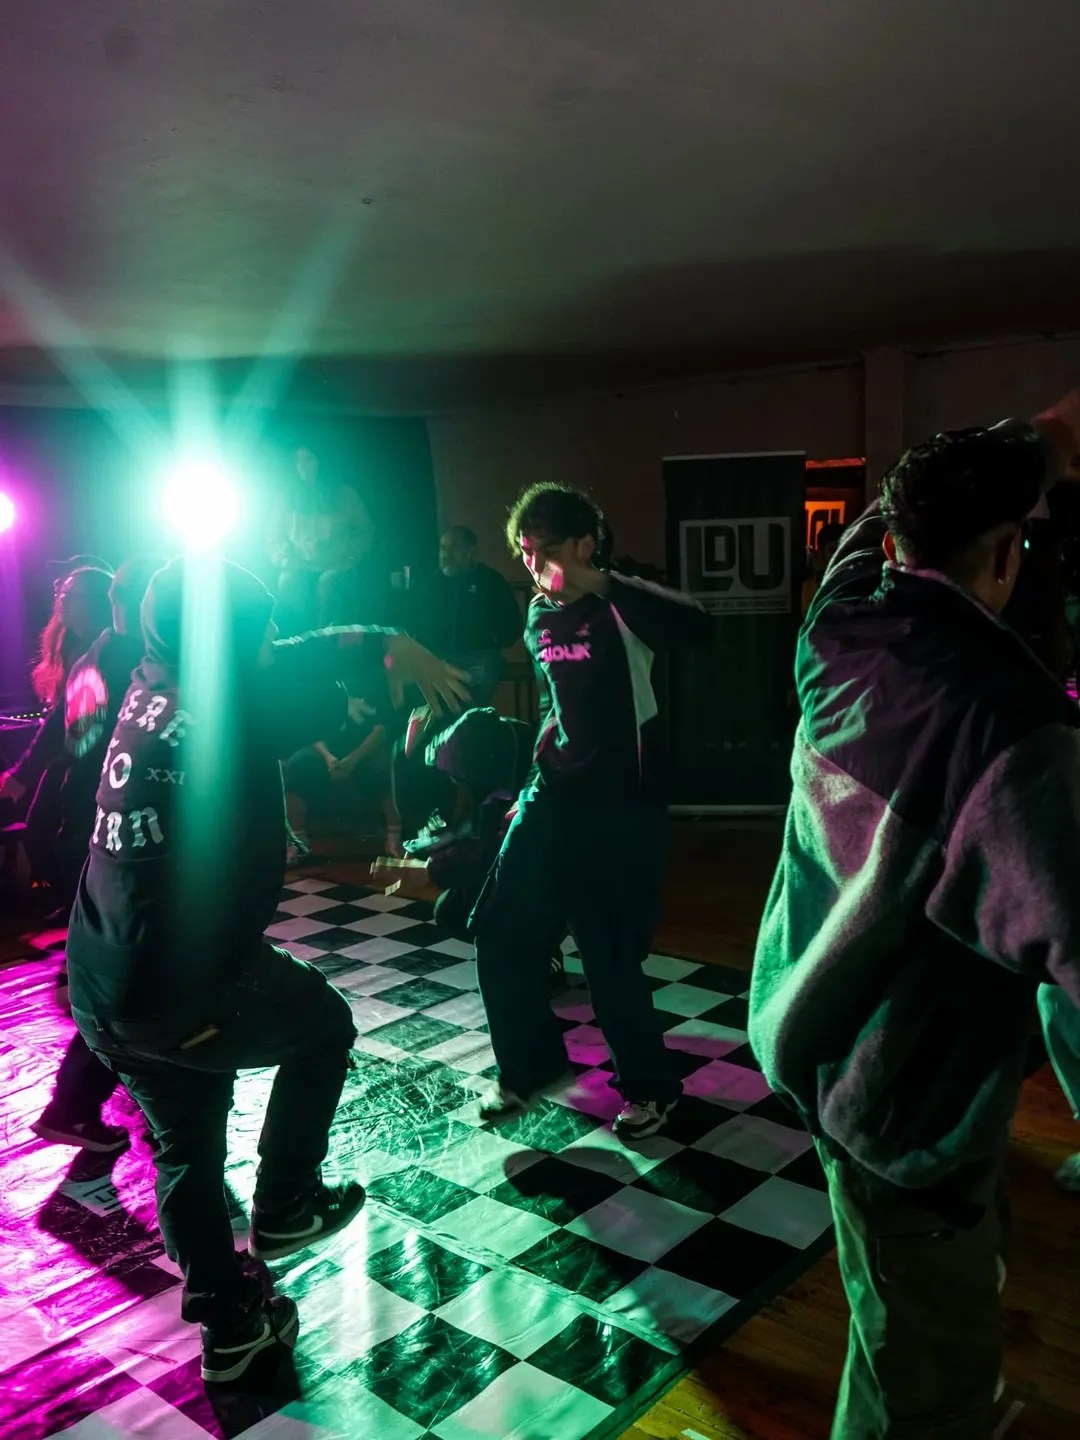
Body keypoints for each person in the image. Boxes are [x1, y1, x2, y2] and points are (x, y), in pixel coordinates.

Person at [748, 390, 1080, 1440]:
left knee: (894, 1303)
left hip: (815, 1036)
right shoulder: (1012, 729)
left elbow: (864, 539)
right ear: (1007, 553)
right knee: (921, 1369)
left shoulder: (840, 622)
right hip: (908, 1097)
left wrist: (1035, 441)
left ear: (894, 542)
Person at [65, 556, 468, 1383]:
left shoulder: (149, 679)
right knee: (323, 1028)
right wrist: (387, 642)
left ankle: (231, 1324)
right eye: (264, 633)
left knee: (185, 1146)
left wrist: (377, 641)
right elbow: (312, 668)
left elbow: (279, 652)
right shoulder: (239, 709)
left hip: (101, 981)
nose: (277, 644)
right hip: (182, 983)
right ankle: (286, 1203)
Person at [471, 483, 710, 1143]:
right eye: (524, 553)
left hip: (623, 807)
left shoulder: (622, 604)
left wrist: (599, 581)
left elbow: (698, 623)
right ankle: (528, 1069)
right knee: (499, 929)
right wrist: (530, 784)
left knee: (609, 956)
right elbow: (554, 705)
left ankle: (650, 1087)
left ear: (584, 545)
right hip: (550, 799)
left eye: (546, 551)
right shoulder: (538, 616)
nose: (534, 566)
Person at [31, 556, 166, 1155]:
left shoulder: (98, 658)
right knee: (132, 981)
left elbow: (68, 745)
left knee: (131, 976)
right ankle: (75, 1104)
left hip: (93, 834)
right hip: (108, 840)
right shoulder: (132, 664)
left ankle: (100, 1099)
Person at [0, 567, 113, 892]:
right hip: (77, 758)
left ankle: (70, 905)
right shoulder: (82, 647)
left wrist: (23, 773)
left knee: (56, 832)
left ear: (95, 601)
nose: (61, 602)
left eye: (70, 595)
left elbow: (64, 722)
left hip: (91, 763)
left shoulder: (103, 652)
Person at [268, 446, 379, 634]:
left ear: (321, 461)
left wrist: (349, 556)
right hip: (299, 565)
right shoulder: (285, 499)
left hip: (337, 565)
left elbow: (364, 532)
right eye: (298, 460)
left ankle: (326, 640)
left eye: (308, 459)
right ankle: (293, 641)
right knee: (289, 582)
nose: (303, 466)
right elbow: (274, 537)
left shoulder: (345, 495)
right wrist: (285, 557)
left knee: (329, 584)